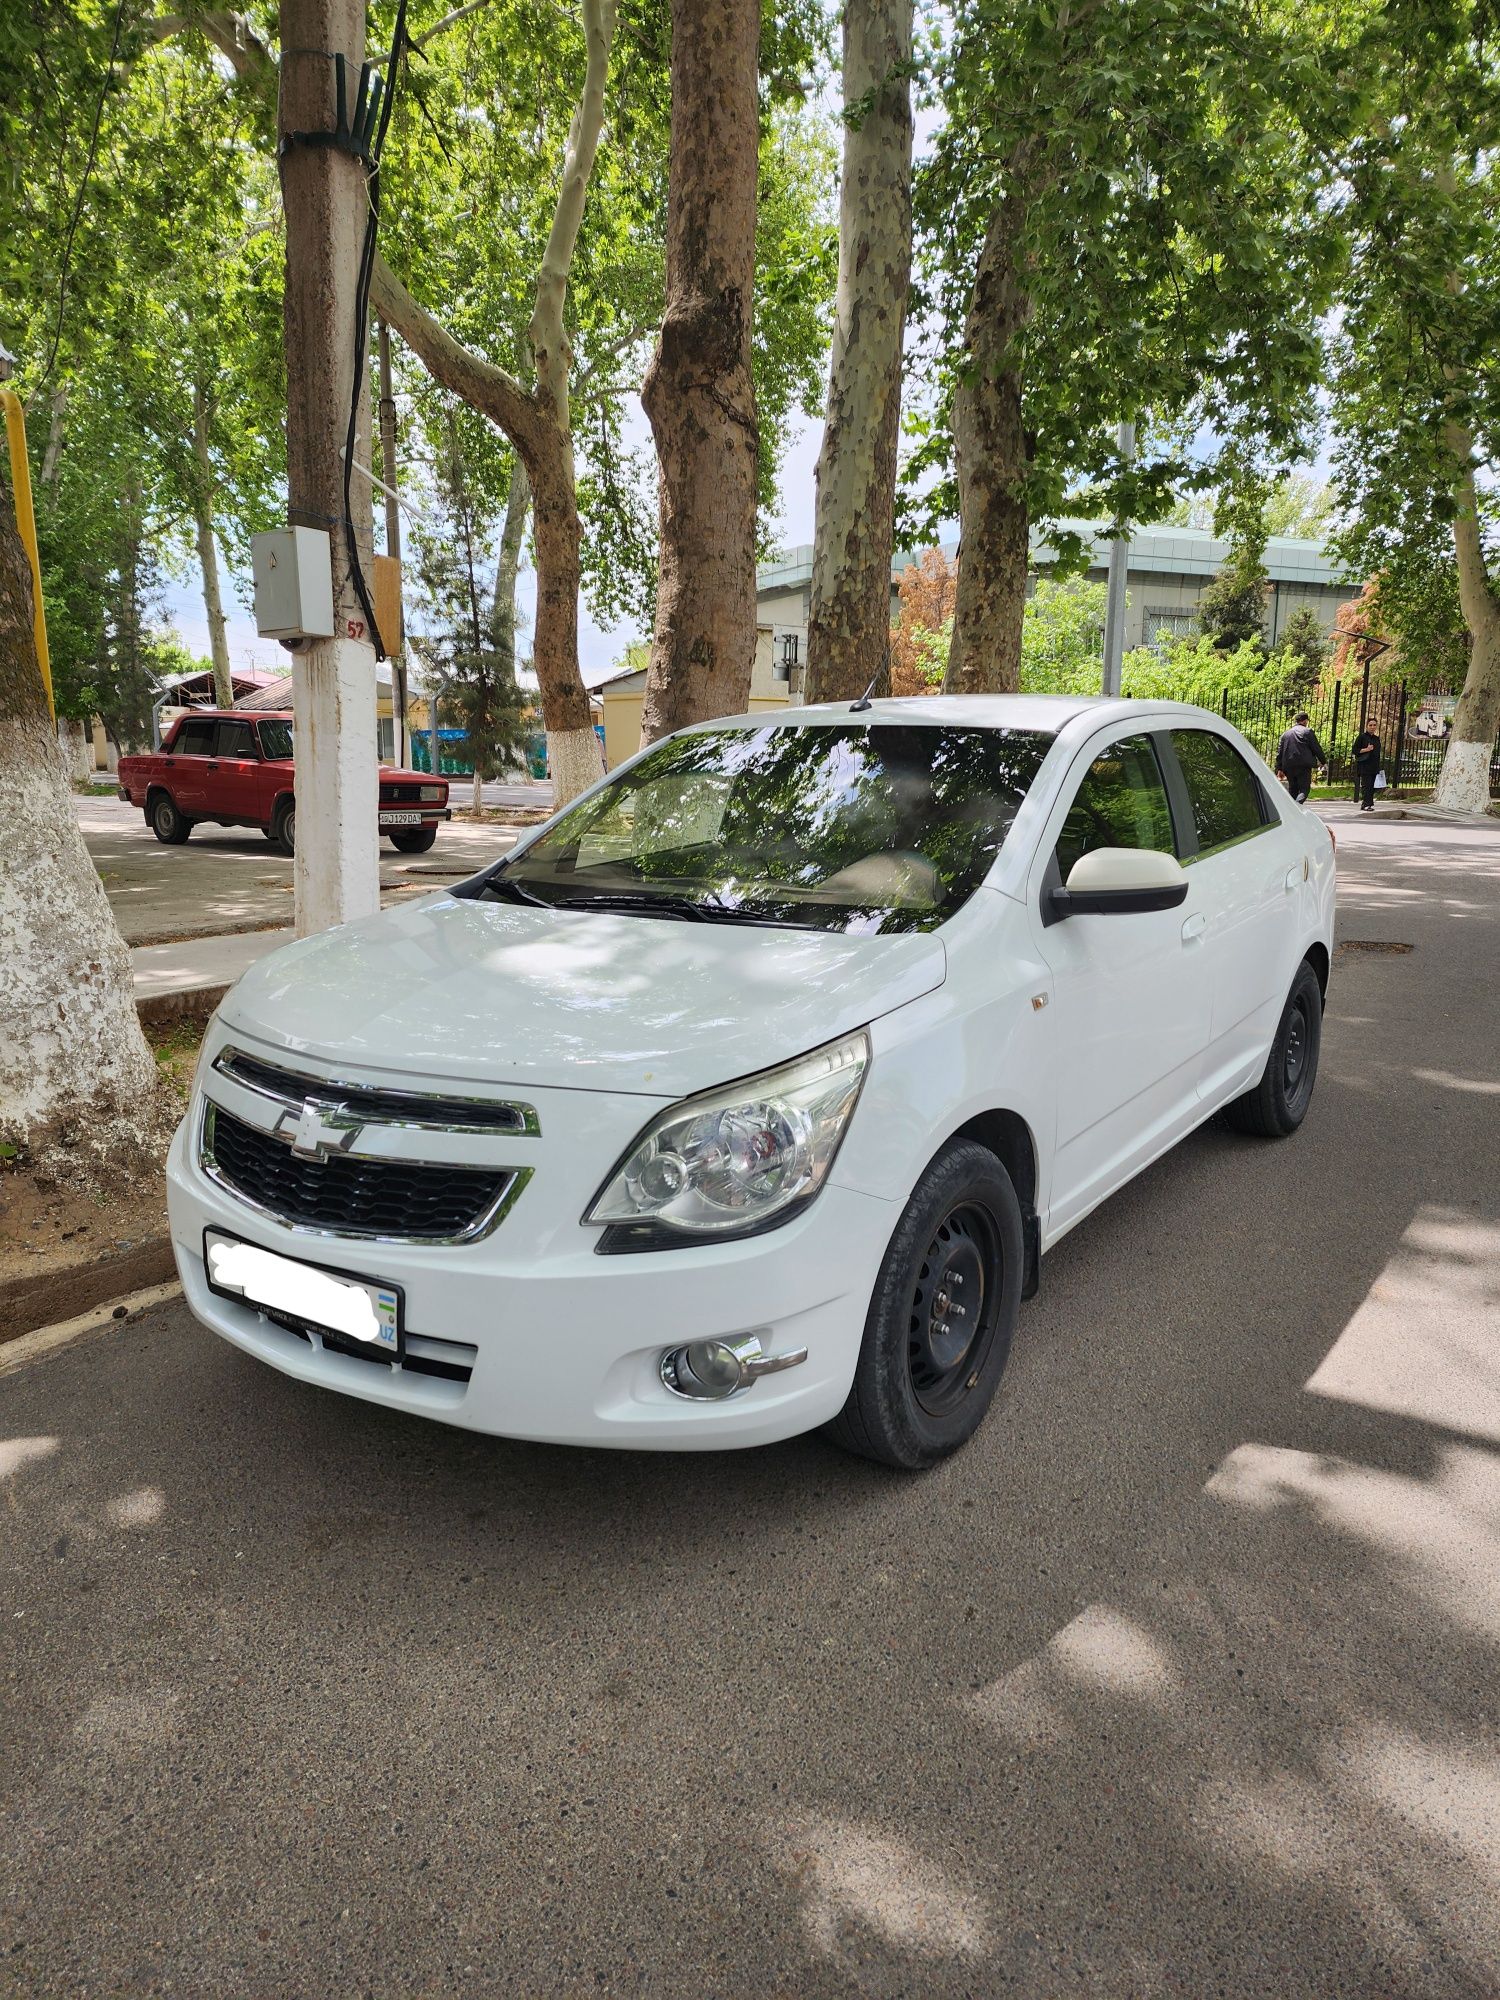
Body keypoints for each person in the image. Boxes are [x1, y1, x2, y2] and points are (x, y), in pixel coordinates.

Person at [1275, 712, 1327, 803]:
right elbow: (1316, 748)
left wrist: (1279, 768)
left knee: (1293, 789)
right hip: (1303, 766)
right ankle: (1297, 807)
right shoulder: (1307, 732)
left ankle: (1291, 808)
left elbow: (1280, 753)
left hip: (1288, 765)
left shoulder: (1285, 734)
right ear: (1305, 721)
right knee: (1304, 788)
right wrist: (1323, 761)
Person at [1352, 727, 1383, 811]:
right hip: (1364, 765)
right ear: (1367, 726)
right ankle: (1366, 804)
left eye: (1374, 725)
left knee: (1372, 786)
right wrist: (1366, 749)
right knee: (1366, 785)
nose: (1372, 727)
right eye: (1370, 725)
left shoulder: (1376, 738)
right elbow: (1354, 750)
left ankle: (1368, 803)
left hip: (1374, 765)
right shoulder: (1362, 737)